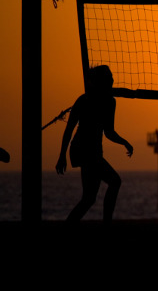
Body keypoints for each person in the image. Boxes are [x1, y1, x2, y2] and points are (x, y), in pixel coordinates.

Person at [56, 65, 134, 222]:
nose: (112, 79)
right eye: (109, 77)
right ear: (101, 80)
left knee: (89, 198)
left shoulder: (110, 102)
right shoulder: (84, 100)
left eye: (112, 77)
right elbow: (69, 130)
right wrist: (61, 156)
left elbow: (109, 132)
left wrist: (124, 142)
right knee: (115, 181)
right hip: (83, 150)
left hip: (95, 152)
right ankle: (107, 224)